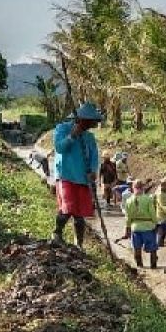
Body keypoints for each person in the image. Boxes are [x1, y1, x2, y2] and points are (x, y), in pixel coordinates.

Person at [52, 103, 104, 247]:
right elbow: (59, 148)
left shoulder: (89, 137)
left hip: (82, 178)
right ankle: (57, 233)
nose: (92, 125)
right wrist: (72, 136)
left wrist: (93, 171)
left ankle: (79, 244)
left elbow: (94, 156)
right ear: (82, 120)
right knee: (67, 208)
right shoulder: (62, 129)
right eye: (90, 122)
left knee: (79, 215)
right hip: (66, 175)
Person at [123, 179, 160, 269]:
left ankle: (140, 267)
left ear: (133, 188)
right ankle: (153, 266)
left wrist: (127, 229)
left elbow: (128, 218)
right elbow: (152, 213)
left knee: (137, 248)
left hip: (135, 228)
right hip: (148, 227)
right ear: (143, 188)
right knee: (153, 249)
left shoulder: (128, 201)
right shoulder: (148, 199)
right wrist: (156, 223)